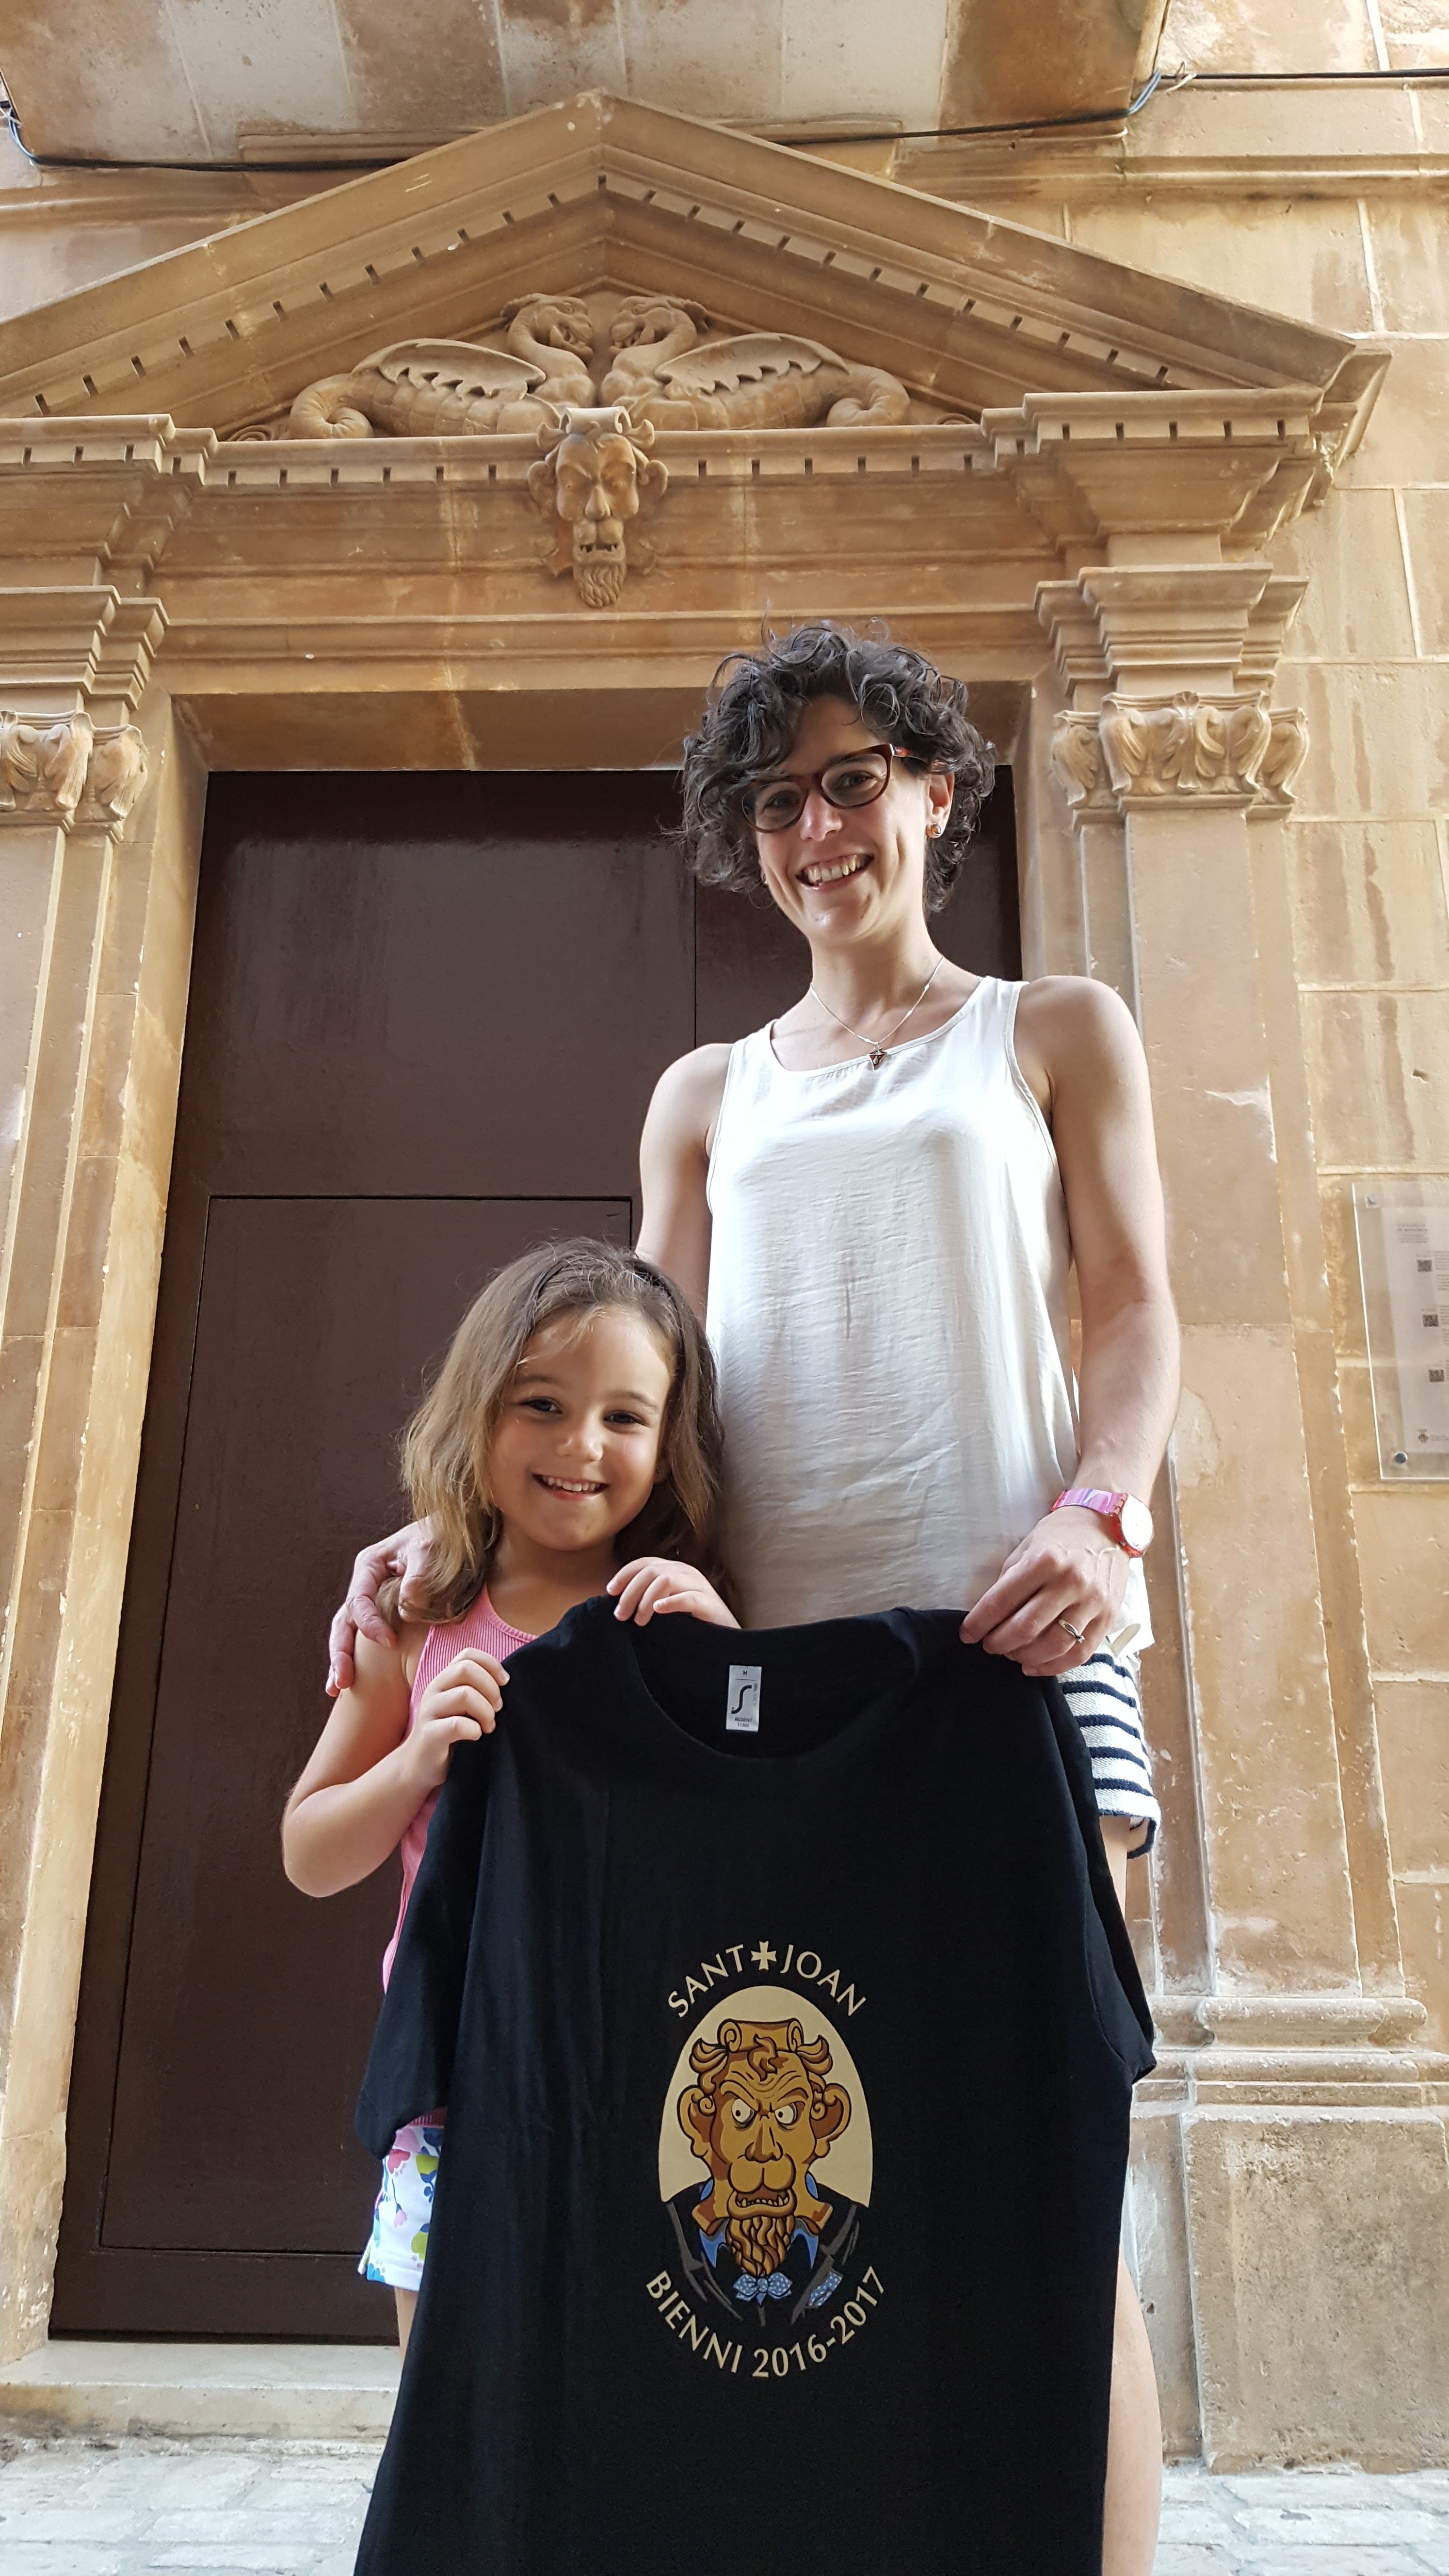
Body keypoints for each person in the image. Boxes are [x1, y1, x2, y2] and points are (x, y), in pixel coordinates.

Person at [326, 625, 1180, 2574]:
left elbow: (1137, 1313)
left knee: (1044, 2181)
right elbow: (634, 1377)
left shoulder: (1051, 1030)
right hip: (763, 1709)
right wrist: (448, 1531)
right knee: (778, 2196)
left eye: (853, 780)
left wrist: (1099, 1512)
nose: (819, 827)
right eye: (778, 798)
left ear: (934, 792)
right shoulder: (706, 1094)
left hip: (1015, 1662)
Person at [285, 1238, 737, 2352]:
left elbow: (748, 1839)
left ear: (668, 1442)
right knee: (446, 2388)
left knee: (615, 2384)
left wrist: (728, 1653)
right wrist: (414, 1762)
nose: (581, 1445)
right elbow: (310, 1854)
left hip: (640, 2081)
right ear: (478, 1408)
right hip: (456, 2081)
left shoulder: (673, 1622)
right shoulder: (418, 1619)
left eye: (625, 1417)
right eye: (542, 1404)